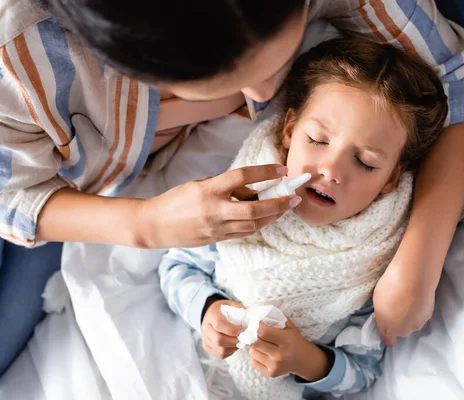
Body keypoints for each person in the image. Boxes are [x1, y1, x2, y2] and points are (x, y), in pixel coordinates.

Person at [0, 0, 464, 376]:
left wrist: (417, 262)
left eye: (275, 59)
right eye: (227, 77)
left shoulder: (369, 246)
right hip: (59, 199)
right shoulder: (20, 57)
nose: (265, 95)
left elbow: (457, 77)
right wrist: (143, 224)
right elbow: (13, 197)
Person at [159, 36, 449, 399]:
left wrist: (304, 359)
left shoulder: (378, 261)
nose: (331, 170)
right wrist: (207, 309)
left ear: (391, 178)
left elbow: (363, 370)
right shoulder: (243, 198)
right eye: (317, 139)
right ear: (289, 129)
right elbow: (176, 266)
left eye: (365, 162)